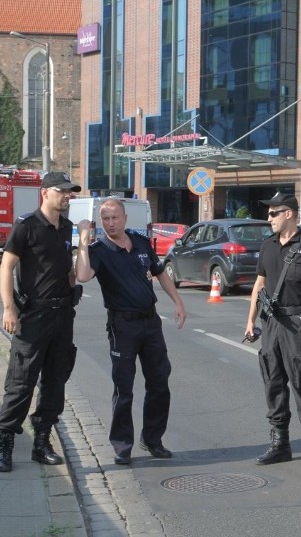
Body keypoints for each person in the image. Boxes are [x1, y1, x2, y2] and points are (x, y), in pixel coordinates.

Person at [74, 199, 186, 466]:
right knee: (124, 388)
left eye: (114, 217)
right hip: (122, 326)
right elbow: (82, 275)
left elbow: (159, 273)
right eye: (105, 219)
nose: (111, 223)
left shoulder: (141, 242)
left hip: (150, 323)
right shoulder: (98, 250)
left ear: (124, 218)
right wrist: (83, 240)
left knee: (159, 383)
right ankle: (122, 446)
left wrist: (178, 302)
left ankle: (153, 439)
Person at [0, 171, 82, 473]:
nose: (68, 196)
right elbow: (6, 267)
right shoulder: (26, 226)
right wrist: (8, 308)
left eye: (71, 192)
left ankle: (41, 442)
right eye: (63, 191)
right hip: (33, 317)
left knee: (55, 382)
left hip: (62, 316)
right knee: (21, 383)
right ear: (45, 192)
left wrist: (74, 274)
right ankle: (4, 444)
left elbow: (68, 271)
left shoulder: (67, 228)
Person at [245, 192, 301, 469]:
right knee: (273, 382)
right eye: (268, 213)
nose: (268, 218)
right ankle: (280, 444)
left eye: (274, 213)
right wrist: (250, 320)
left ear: (289, 214)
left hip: (298, 324)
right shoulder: (268, 245)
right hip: (271, 324)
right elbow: (259, 285)